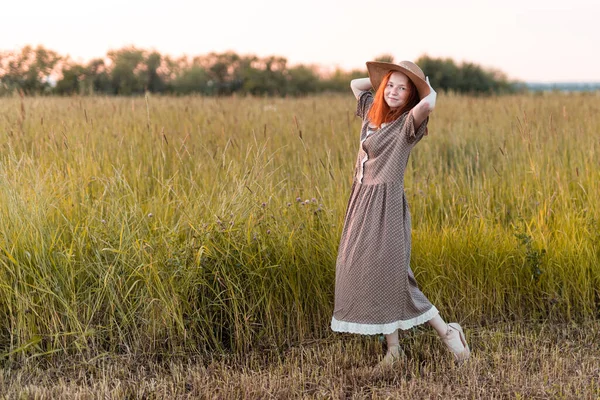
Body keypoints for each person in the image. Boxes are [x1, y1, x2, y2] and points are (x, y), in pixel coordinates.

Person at [330, 60, 470, 367]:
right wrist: (383, 81)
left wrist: (423, 85)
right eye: (390, 86)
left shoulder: (407, 124)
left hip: (386, 206)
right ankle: (394, 349)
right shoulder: (372, 112)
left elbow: (430, 103)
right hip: (361, 202)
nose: (394, 92)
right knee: (364, 270)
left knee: (394, 274)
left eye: (402, 88)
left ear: (411, 96)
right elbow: (356, 85)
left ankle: (447, 333)